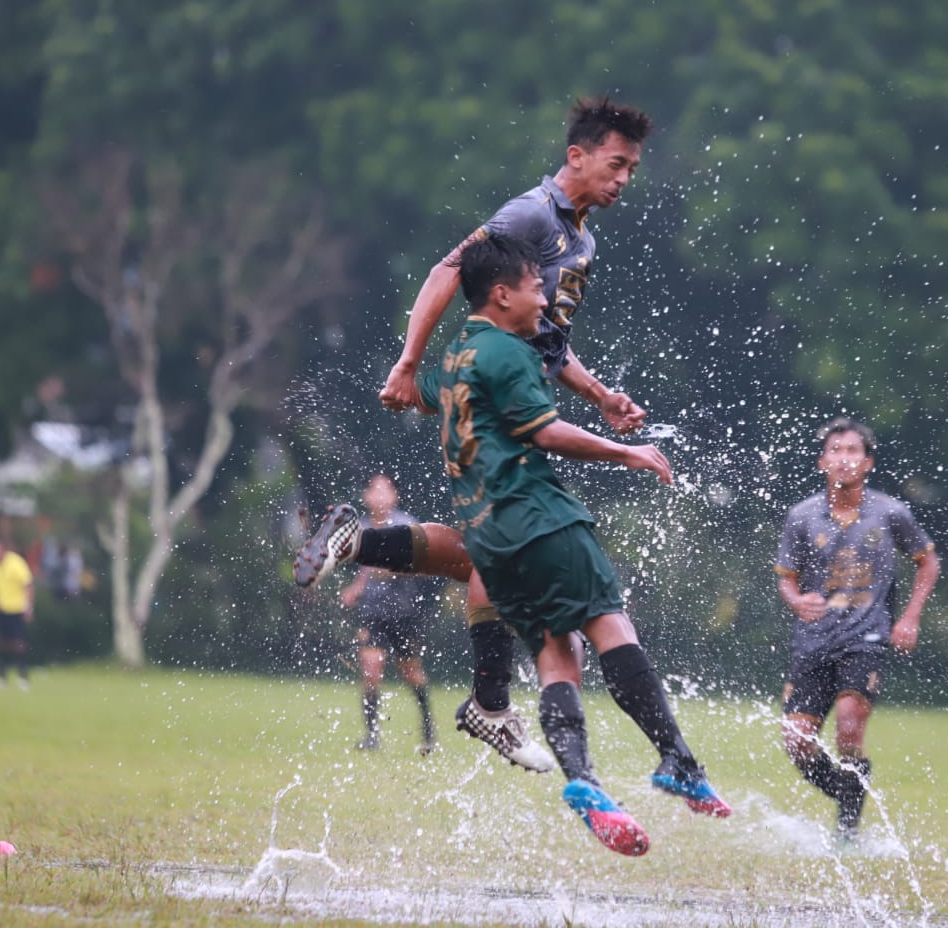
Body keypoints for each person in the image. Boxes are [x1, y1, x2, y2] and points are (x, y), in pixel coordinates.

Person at [301, 96, 655, 773]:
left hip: (511, 397)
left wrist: (601, 395)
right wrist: (407, 363)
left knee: (477, 553)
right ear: (576, 156)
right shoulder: (530, 214)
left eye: (632, 170)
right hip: (495, 399)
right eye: (616, 165)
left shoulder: (583, 240)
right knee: (499, 546)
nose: (623, 180)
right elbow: (447, 270)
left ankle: (355, 543)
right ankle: (489, 704)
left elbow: (550, 344)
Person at [344, 235, 729, 854]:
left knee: (557, 655)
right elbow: (544, 431)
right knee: (609, 627)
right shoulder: (507, 352)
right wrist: (623, 450)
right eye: (534, 286)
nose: (545, 297)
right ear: (501, 294)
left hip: (490, 540)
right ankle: (676, 759)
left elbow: (437, 406)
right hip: (541, 518)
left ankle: (584, 781)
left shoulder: (453, 359)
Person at [776, 419, 941, 838]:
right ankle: (848, 791)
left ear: (867, 462)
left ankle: (847, 826)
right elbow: (786, 577)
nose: (844, 459)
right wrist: (797, 601)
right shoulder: (801, 516)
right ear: (821, 462)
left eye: (853, 452)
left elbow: (928, 562)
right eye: (836, 451)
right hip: (813, 640)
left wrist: (909, 617)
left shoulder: (890, 513)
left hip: (866, 638)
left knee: (849, 727)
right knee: (796, 740)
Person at [339, 473, 441, 755]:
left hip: (404, 611)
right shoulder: (363, 527)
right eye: (374, 489)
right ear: (366, 497)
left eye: (386, 490)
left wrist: (393, 569)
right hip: (373, 611)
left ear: (394, 497)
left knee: (411, 672)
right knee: (370, 668)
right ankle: (371, 735)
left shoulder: (405, 525)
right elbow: (365, 568)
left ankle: (428, 726)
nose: (380, 495)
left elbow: (419, 561)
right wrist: (355, 588)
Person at [0, 537, 35, 690]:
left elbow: (28, 585)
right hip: (1, 609)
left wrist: (28, 607)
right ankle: (1, 676)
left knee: (19, 644)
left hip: (17, 609)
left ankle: (23, 676)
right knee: (0, 644)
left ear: (2, 549)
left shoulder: (15, 562)